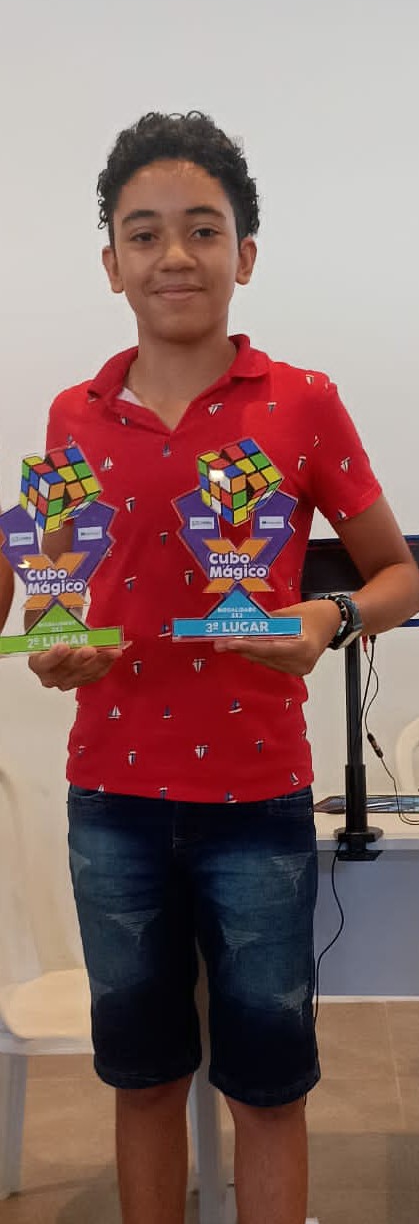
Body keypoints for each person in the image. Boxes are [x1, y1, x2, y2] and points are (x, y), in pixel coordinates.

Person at [28, 112, 419, 1224]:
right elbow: (54, 591)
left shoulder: (301, 402)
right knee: (142, 1076)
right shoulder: (72, 416)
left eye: (203, 230)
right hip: (111, 800)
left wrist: (328, 616)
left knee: (267, 1085)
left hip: (254, 798)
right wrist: (53, 648)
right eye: (143, 233)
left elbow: (398, 574)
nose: (175, 255)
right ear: (110, 263)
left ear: (244, 254)